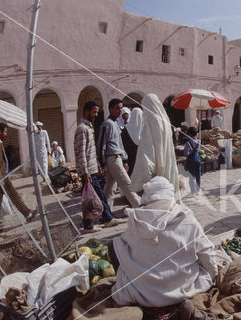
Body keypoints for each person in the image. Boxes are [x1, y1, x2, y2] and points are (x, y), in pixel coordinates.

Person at [111, 177, 218, 307]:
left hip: (144, 294)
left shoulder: (136, 222)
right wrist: (212, 275)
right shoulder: (186, 218)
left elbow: (123, 248)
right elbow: (206, 254)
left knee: (115, 245)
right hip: (185, 287)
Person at [74, 101, 119, 232]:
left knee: (94, 197)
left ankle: (106, 219)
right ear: (87, 111)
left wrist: (98, 164)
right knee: (92, 198)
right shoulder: (82, 128)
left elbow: (90, 151)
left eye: (97, 112)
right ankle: (99, 222)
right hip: (87, 171)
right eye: (94, 112)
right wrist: (85, 172)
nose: (95, 115)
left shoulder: (88, 127)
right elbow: (81, 152)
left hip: (92, 169)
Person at [0, 123, 37, 235]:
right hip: (0, 179)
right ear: (0, 132)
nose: (6, 134)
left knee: (11, 197)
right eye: (5, 132)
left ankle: (27, 214)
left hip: (2, 177)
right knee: (0, 202)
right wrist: (0, 180)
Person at [130, 94, 181, 199]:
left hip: (157, 169)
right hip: (168, 162)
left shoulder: (150, 120)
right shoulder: (165, 120)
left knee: (158, 198)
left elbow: (148, 150)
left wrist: (142, 177)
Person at [97, 98, 140, 209]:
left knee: (110, 188)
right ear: (110, 109)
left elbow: (120, 144)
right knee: (127, 184)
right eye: (117, 108)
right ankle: (140, 207)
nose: (119, 111)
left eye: (121, 108)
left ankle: (106, 214)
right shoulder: (107, 124)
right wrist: (101, 163)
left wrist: (124, 159)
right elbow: (101, 144)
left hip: (117, 157)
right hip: (112, 158)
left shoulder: (116, 123)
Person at [183, 127, 201, 193]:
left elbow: (185, 153)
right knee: (198, 175)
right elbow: (198, 150)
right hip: (197, 158)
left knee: (192, 176)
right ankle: (198, 189)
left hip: (191, 160)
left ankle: (193, 191)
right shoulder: (199, 141)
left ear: (189, 134)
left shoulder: (188, 143)